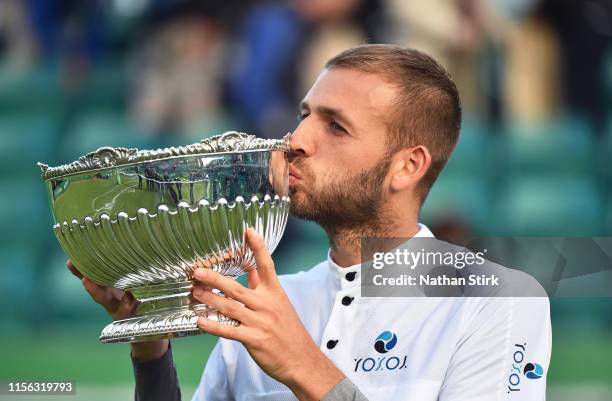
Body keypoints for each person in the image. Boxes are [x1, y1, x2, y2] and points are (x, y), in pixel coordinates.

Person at [67, 44, 551, 401]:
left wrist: (306, 368)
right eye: (304, 115)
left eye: (335, 126)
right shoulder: (268, 306)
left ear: (407, 167)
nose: (296, 138)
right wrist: (151, 349)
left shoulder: (496, 301)